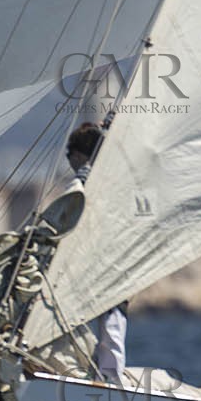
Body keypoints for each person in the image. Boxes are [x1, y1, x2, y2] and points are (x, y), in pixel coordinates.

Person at [63, 122, 127, 381]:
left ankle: (101, 375)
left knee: (105, 317)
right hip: (115, 259)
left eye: (69, 155)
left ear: (79, 155)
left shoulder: (83, 180)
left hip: (95, 261)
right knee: (113, 320)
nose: (69, 161)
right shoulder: (115, 176)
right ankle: (110, 375)